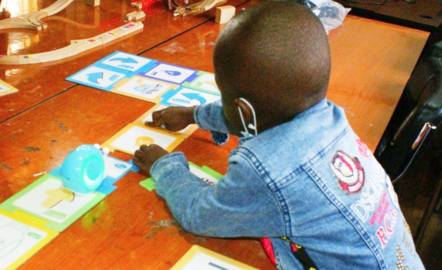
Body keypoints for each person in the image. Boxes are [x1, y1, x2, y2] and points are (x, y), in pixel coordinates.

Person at [133, 1, 425, 269]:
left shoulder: (267, 172)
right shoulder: (326, 115)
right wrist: (193, 115)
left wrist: (164, 166)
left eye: (224, 98)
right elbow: (255, 118)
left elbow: (198, 214)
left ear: (243, 110)